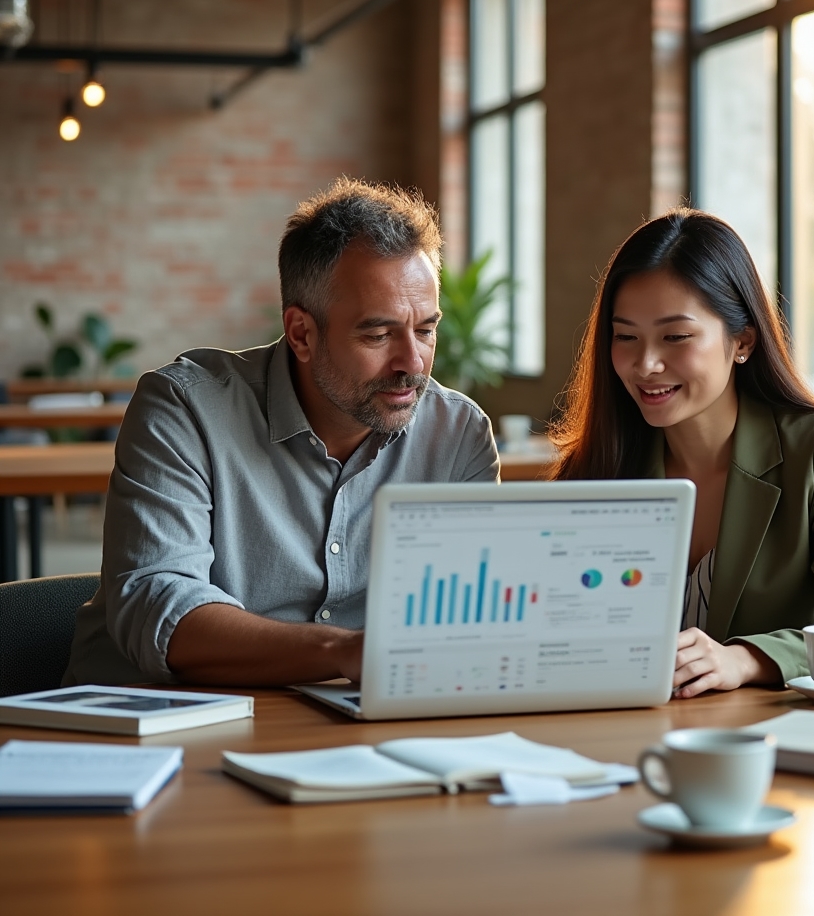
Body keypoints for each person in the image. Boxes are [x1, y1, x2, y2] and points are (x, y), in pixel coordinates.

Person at [65, 177, 499, 687]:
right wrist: (344, 651)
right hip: (159, 720)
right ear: (301, 334)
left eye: (425, 330)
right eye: (378, 334)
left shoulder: (458, 435)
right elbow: (158, 603)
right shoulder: (185, 409)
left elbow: (467, 616)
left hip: (347, 727)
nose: (412, 362)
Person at [550, 208, 814, 698]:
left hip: (773, 745)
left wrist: (744, 659)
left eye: (676, 337)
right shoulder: (594, 468)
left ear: (742, 341)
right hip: (623, 741)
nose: (646, 364)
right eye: (626, 336)